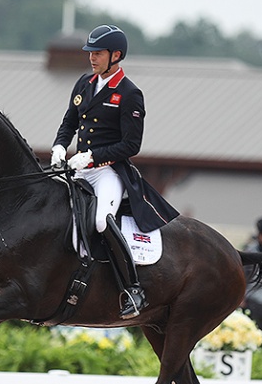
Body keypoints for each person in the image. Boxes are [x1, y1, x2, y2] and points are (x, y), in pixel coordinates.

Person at [51, 24, 179, 319]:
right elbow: (69, 122)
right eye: (90, 53)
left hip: (108, 172)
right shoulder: (84, 83)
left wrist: (92, 157)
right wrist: (60, 145)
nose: (92, 58)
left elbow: (131, 144)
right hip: (78, 168)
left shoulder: (129, 93)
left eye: (98, 53)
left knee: (99, 221)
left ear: (116, 55)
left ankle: (133, 290)